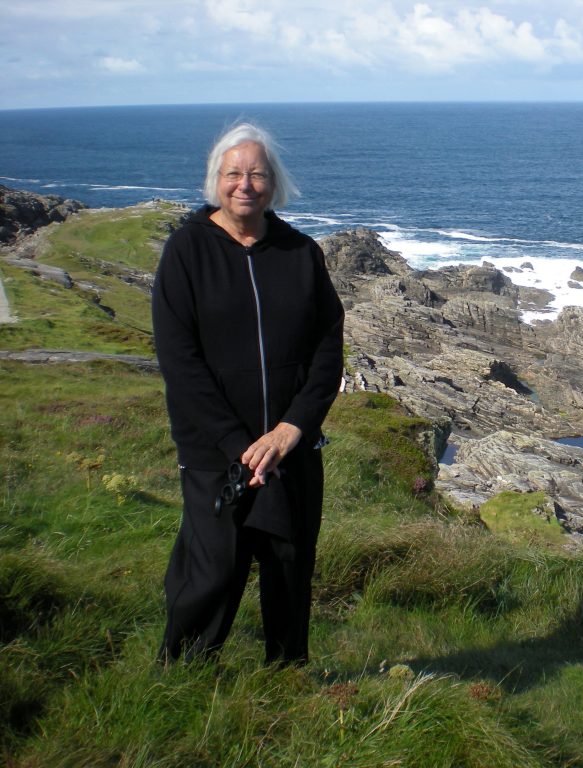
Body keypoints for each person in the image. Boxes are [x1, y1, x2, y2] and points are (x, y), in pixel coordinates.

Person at [152, 122, 344, 665]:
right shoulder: (187, 252)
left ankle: (285, 679)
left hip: (290, 449)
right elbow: (179, 360)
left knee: (288, 566)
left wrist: (290, 430)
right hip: (215, 452)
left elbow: (328, 348)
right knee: (212, 568)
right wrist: (240, 444)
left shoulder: (301, 253)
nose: (245, 184)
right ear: (216, 181)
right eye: (233, 173)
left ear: (273, 183)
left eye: (257, 174)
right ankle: (181, 675)